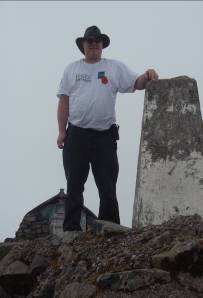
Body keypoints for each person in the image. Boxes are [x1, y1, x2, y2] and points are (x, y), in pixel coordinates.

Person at [56, 25, 158, 232]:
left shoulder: (114, 68)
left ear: (102, 45)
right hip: (76, 135)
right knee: (74, 185)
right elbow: (64, 101)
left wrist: (147, 76)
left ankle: (110, 230)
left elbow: (136, 83)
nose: (93, 44)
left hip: (105, 137)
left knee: (107, 186)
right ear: (83, 45)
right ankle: (71, 231)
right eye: (89, 41)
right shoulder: (72, 69)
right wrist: (61, 131)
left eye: (97, 41)